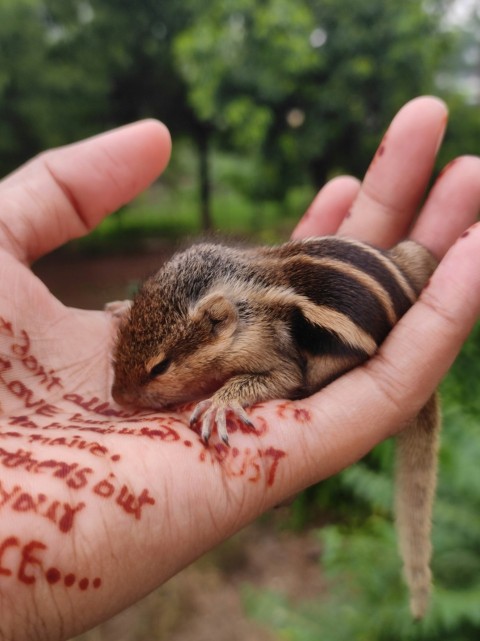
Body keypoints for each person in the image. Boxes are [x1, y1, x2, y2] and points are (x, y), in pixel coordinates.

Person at [0, 96, 479, 641]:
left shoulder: (252, 330)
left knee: (317, 361)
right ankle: (419, 583)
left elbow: (282, 377)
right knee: (411, 255)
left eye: (157, 371)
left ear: (218, 325)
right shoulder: (215, 302)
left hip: (343, 342)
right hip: (370, 271)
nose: (127, 397)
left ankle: (419, 579)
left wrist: (229, 397)